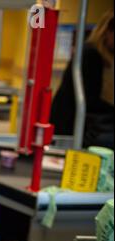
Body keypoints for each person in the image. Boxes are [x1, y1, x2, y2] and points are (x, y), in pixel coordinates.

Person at [50, 11, 114, 149]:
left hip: (71, 122)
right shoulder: (91, 55)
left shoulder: (93, 53)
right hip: (69, 125)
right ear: (107, 31)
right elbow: (89, 100)